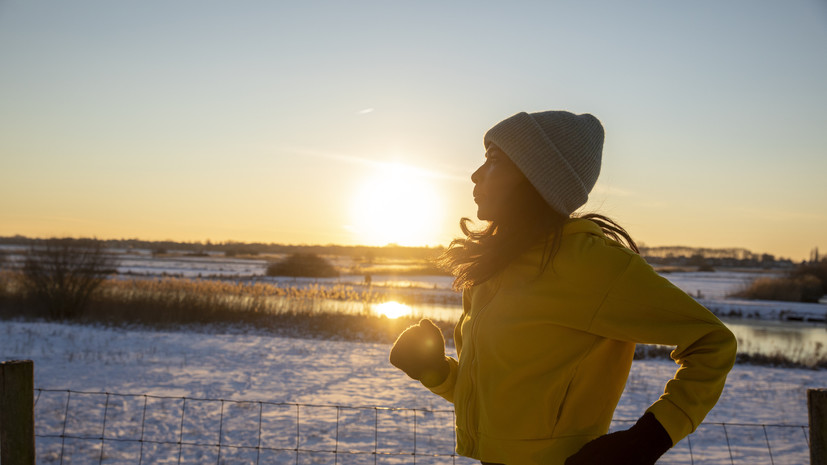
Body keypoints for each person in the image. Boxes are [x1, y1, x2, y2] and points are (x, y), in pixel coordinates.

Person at [389, 110, 737, 464]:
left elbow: (714, 342)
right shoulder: (493, 267)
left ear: (535, 176)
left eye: (494, 159)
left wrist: (647, 439)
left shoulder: (591, 265)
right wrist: (436, 371)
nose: (476, 174)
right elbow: (503, 398)